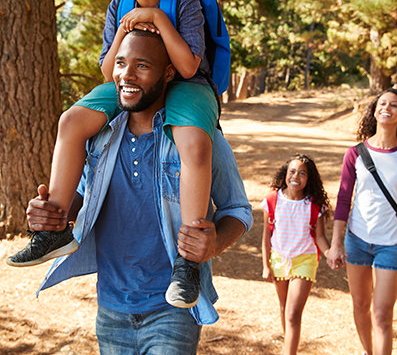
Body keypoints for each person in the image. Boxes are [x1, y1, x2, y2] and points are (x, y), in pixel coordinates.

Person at [8, 0, 218, 309]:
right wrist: (126, 26)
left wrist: (155, 18)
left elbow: (189, 65)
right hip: (130, 82)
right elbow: (108, 72)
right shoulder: (118, 5)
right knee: (70, 121)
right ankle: (54, 226)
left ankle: (187, 260)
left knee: (192, 143)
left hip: (187, 86)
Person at [24, 29, 253, 354]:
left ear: (168, 73)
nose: (126, 74)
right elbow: (85, 198)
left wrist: (213, 243)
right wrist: (51, 214)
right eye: (120, 63)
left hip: (173, 311)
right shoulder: (98, 136)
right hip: (111, 308)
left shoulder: (200, 140)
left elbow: (238, 210)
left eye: (142, 65)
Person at [327, 88, 397, 355]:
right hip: (357, 240)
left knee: (383, 315)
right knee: (360, 306)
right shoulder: (355, 153)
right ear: (374, 111)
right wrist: (336, 243)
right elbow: (343, 200)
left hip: (393, 243)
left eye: (394, 105)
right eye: (382, 103)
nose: (387, 108)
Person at [262, 154, 331, 355]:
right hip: (279, 258)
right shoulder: (272, 200)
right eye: (292, 171)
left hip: (305, 259)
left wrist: (329, 254)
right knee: (284, 308)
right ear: (285, 174)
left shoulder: (315, 205)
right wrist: (266, 265)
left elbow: (320, 237)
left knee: (293, 313)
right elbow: (266, 235)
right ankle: (289, 346)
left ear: (309, 179)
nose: (296, 176)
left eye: (302, 173)